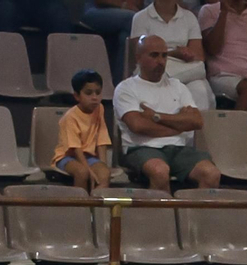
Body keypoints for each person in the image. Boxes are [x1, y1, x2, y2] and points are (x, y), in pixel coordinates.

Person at [113, 35, 223, 192]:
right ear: (138, 58)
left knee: (211, 174)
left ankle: (196, 216)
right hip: (141, 148)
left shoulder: (178, 86)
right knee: (160, 172)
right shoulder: (126, 88)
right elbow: (138, 125)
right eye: (154, 55)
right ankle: (161, 216)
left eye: (164, 55)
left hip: (178, 149)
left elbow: (196, 121)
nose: (161, 61)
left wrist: (157, 117)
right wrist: (177, 126)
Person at [131, 0, 212, 111]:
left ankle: (192, 127)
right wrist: (174, 53)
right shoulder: (140, 17)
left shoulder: (189, 17)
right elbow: (142, 53)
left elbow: (198, 55)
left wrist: (186, 54)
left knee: (200, 89)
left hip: (184, 66)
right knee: (197, 72)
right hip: (155, 64)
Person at [199, 0, 247, 117]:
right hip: (223, 75)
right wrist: (223, 13)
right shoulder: (209, 10)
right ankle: (236, 133)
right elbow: (212, 49)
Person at [55, 69, 114, 191]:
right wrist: (88, 169)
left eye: (98, 93)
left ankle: (98, 207)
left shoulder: (100, 109)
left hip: (89, 156)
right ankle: (81, 207)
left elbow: (102, 139)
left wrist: (103, 165)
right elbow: (75, 148)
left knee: (104, 173)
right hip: (67, 157)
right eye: (88, 93)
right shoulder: (70, 117)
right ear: (77, 96)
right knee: (82, 173)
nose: (94, 98)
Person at [81, 0, 141, 80]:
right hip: (95, 10)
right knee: (133, 18)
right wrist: (123, 4)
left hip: (122, 13)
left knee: (125, 35)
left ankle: (122, 83)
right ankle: (122, 81)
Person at [0, 0, 72, 34]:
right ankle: (6, 61)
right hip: (11, 2)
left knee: (60, 16)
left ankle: (64, 64)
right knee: (4, 11)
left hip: (43, 4)